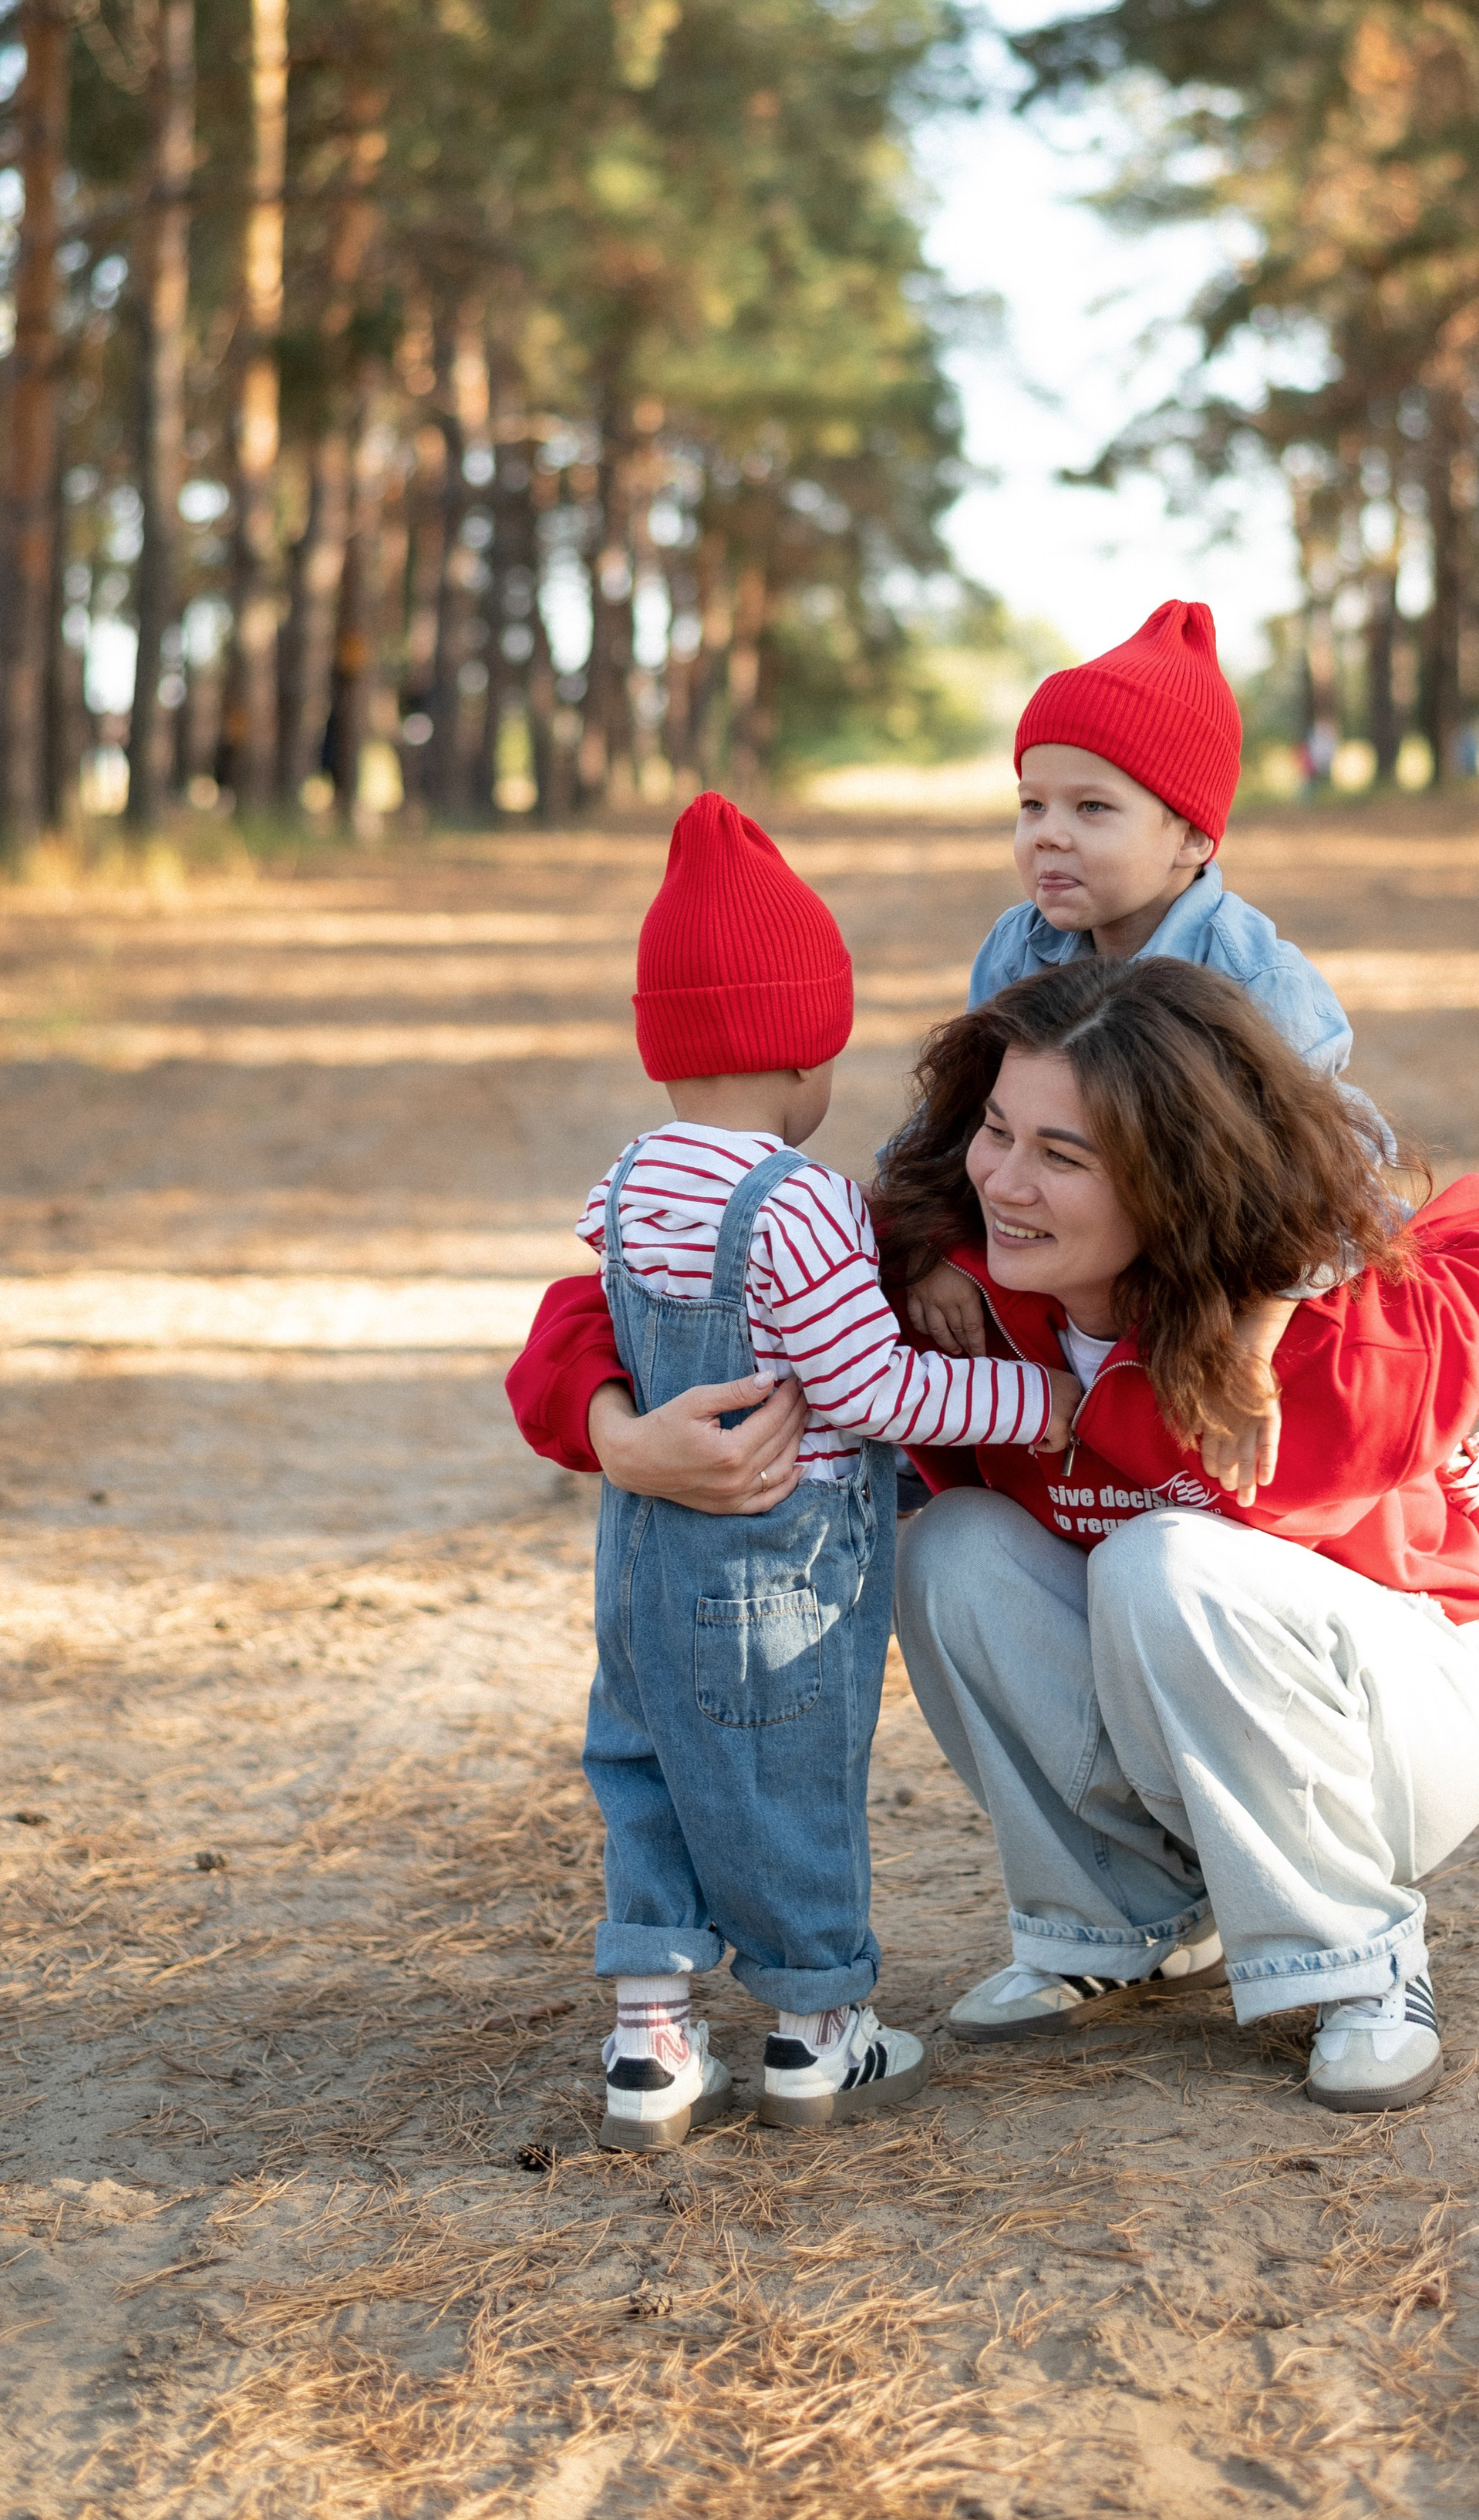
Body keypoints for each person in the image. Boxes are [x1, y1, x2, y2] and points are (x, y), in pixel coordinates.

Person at [873, 954, 1479, 2112]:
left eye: (1062, 1155)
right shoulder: (962, 1294)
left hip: (1409, 1711)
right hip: (1178, 1695)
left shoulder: (1314, 1335)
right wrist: (619, 1424)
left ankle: (1364, 1966)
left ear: (1173, 1178)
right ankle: (1118, 1924)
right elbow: (667, 1280)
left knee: (1164, 1556)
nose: (1006, 1181)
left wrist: (1296, 1275)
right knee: (950, 1545)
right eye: (997, 1131)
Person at [552, 794, 1079, 2153]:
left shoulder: (626, 1183)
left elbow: (599, 1317)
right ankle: (818, 2032)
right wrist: (1037, 1399)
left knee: (648, 1764)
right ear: (806, 1056)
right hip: (783, 1562)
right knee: (792, 1779)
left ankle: (651, 2045)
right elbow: (866, 1389)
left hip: (644, 1549)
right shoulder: (801, 1204)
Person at [904, 599, 1479, 1573]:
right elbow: (967, 1117)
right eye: (1030, 805)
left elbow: (1321, 1171)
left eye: (1092, 809)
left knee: (1339, 1274)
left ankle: (1428, 1440)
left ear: (1191, 840)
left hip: (1259, 1213)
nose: (1047, 834)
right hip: (1107, 1201)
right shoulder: (1019, 946)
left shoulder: (1253, 980)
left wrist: (1252, 1338)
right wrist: (928, 1248)